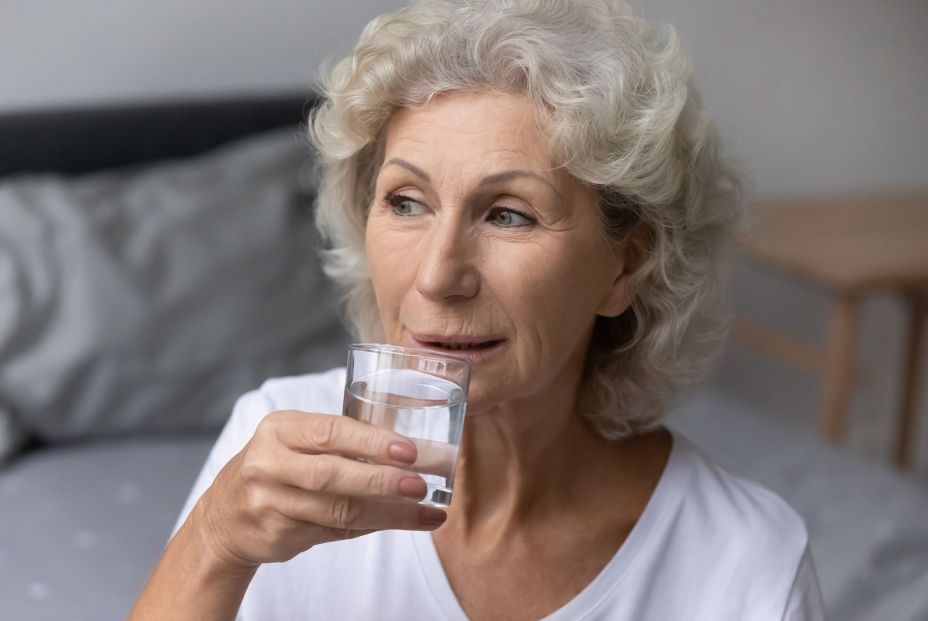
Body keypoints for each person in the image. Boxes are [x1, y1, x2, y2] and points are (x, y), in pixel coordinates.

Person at [130, 0, 825, 619]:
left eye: (508, 215)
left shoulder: (748, 569)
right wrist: (214, 542)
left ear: (628, 265)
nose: (436, 276)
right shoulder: (270, 442)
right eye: (406, 202)